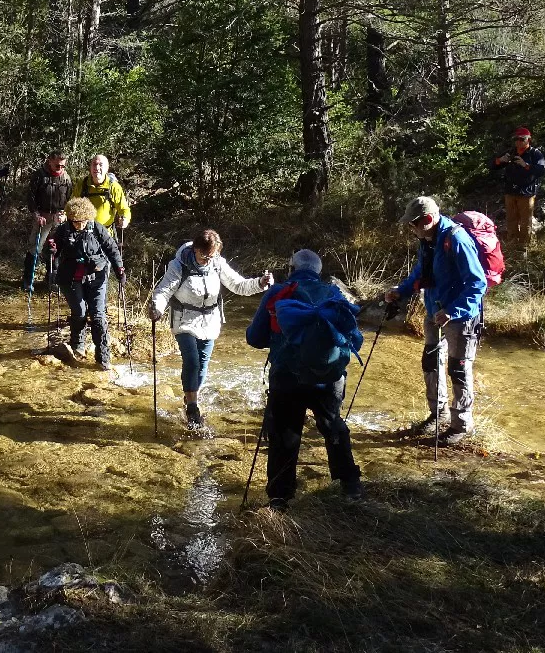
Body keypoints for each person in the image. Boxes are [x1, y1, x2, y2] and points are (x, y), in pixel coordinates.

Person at [246, 250, 364, 510]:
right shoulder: (334, 294)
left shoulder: (278, 293)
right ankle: (350, 485)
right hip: (329, 377)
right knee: (332, 425)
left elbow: (254, 338)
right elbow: (353, 338)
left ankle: (280, 498)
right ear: (318, 272)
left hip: (287, 375)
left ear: (291, 268)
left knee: (285, 434)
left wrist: (282, 338)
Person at [384, 196, 487, 445]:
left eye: (413, 224)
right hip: (433, 311)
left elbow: (477, 283)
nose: (411, 228)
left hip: (459, 318)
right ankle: (438, 414)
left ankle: (461, 425)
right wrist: (401, 290)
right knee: (431, 361)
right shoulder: (428, 240)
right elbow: (421, 273)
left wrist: (453, 311)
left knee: (458, 369)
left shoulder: (457, 239)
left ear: (428, 220)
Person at [147, 229, 273, 428]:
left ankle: (190, 398)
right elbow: (164, 291)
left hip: (210, 321)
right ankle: (192, 407)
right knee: (192, 360)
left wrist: (260, 283)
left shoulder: (217, 263)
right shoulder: (179, 265)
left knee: (203, 364)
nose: (208, 259)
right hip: (184, 320)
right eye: (205, 255)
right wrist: (156, 307)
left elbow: (238, 285)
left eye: (212, 255)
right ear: (196, 249)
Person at [48, 197, 125, 370]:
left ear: (88, 218)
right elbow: (53, 253)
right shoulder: (62, 230)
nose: (78, 225)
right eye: (74, 222)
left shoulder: (97, 228)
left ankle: (103, 356)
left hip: (96, 277)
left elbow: (111, 248)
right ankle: (78, 345)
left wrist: (119, 269)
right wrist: (52, 251)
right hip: (71, 278)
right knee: (80, 312)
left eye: (81, 222)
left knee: (98, 315)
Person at [489, 126, 545, 250]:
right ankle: (512, 244)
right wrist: (500, 160)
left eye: (522, 139)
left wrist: (526, 165)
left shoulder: (535, 154)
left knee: (525, 222)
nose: (518, 142)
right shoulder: (511, 152)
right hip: (510, 192)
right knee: (511, 220)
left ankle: (524, 247)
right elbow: (493, 165)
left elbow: (541, 170)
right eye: (516, 139)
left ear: (528, 140)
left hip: (526, 193)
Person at [24, 151, 71, 290]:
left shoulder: (66, 178)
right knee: (35, 247)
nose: (60, 168)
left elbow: (69, 199)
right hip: (42, 216)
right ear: (49, 161)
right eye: (57, 165)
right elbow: (30, 197)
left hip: (58, 217)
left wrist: (65, 214)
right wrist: (36, 214)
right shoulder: (39, 175)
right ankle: (28, 281)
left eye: (63, 166)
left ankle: (52, 281)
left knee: (56, 248)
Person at [72, 154, 131, 232]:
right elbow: (71, 205)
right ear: (90, 167)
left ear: (107, 168)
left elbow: (123, 208)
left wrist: (125, 219)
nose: (97, 167)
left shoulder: (113, 187)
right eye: (94, 164)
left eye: (101, 165)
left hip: (105, 234)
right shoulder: (82, 184)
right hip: (83, 233)